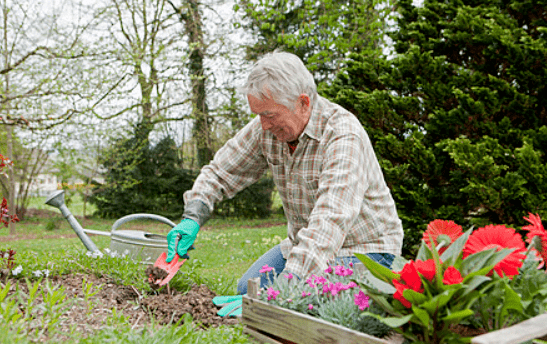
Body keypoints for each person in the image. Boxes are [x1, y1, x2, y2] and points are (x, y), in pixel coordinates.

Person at [166, 51, 403, 315]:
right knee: (248, 290)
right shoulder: (268, 128)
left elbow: (330, 221)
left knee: (308, 308)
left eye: (269, 115)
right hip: (304, 245)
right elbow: (221, 171)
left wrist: (281, 295)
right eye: (258, 115)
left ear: (303, 103)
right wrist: (193, 215)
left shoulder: (342, 136)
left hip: (364, 251)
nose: (263, 125)